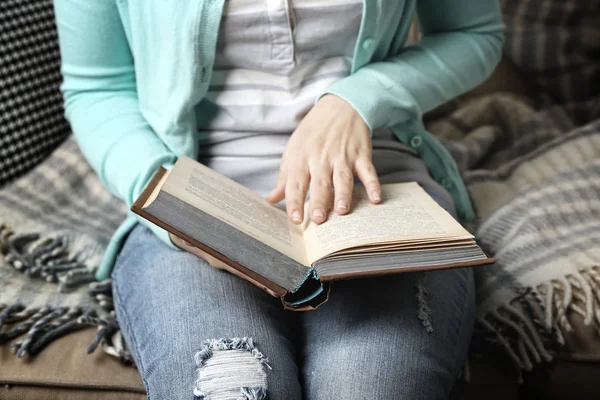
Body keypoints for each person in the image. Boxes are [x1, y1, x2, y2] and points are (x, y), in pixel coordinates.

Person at [54, 0, 504, 398]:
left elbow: (473, 34)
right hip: (195, 192)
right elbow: (97, 89)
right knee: (232, 385)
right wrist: (172, 201)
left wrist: (357, 100)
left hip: (379, 190)